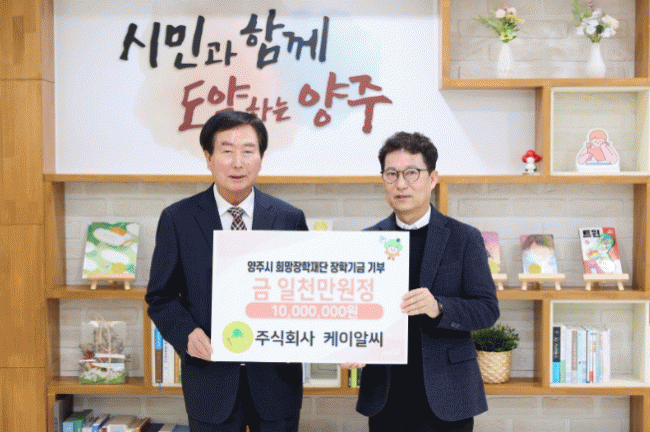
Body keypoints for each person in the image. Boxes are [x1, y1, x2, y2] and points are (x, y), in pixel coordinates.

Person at [145, 111, 308, 432]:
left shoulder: (289, 219)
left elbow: (305, 292)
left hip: (276, 381)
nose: (238, 163)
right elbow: (160, 297)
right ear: (208, 158)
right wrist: (186, 334)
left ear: (261, 158)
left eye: (248, 151)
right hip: (210, 380)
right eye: (227, 151)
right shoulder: (178, 219)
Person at [345, 132, 500, 432]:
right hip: (387, 395)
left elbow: (487, 310)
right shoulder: (367, 241)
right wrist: (348, 344)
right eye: (391, 174)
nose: (401, 184)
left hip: (448, 395)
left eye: (411, 173)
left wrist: (439, 307)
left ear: (433, 178)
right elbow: (355, 311)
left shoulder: (464, 238)